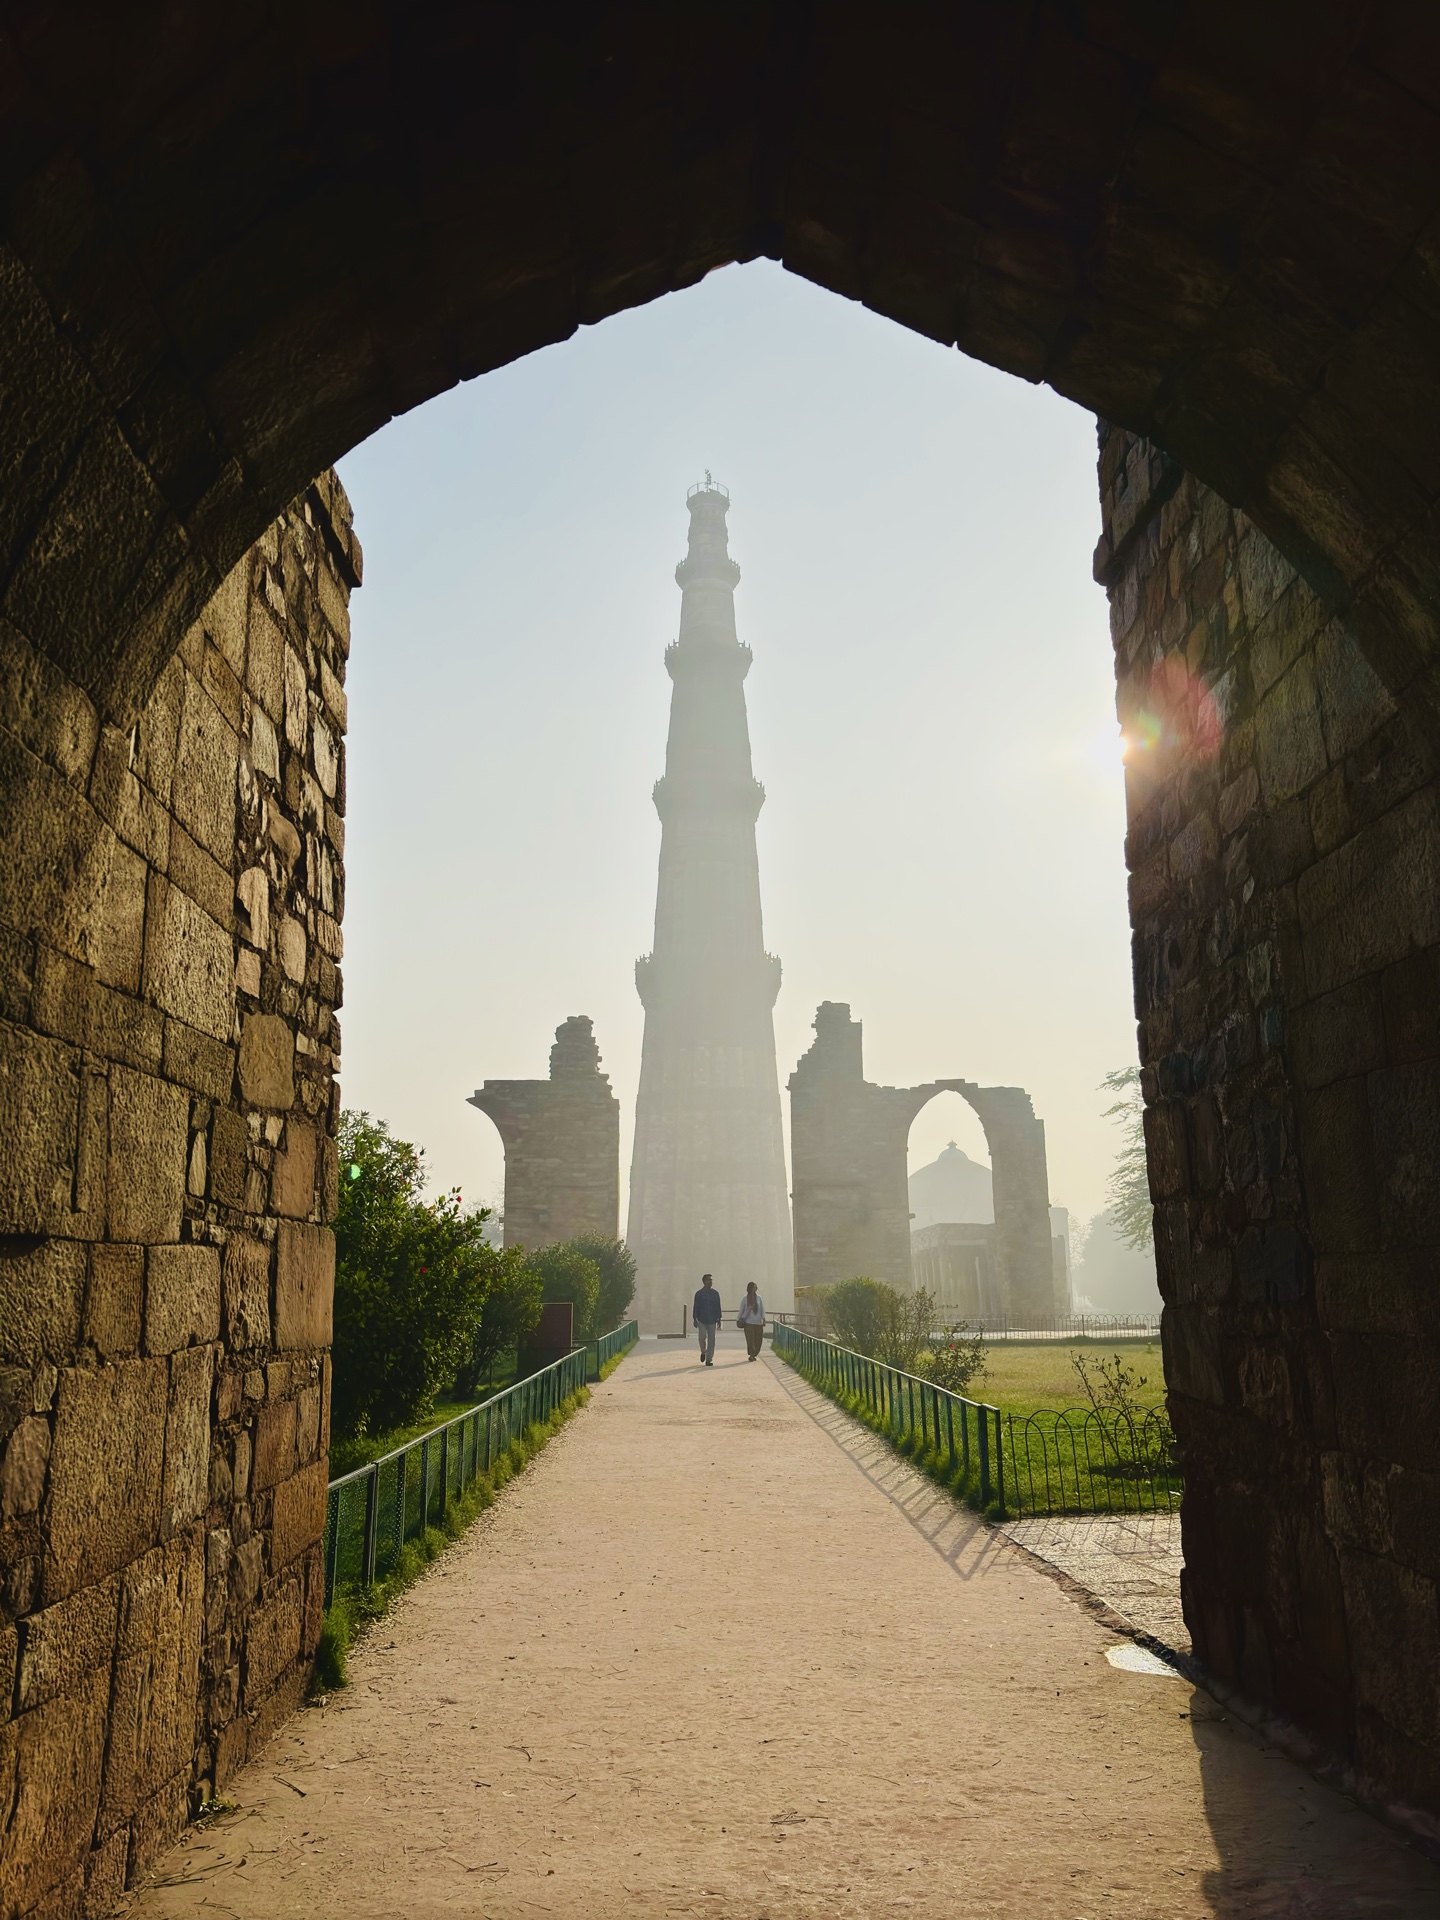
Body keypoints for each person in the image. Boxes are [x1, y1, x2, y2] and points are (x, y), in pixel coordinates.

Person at [692, 1273, 722, 1366]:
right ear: (704, 1281)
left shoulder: (715, 1294)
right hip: (702, 1319)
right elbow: (696, 1306)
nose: (711, 1281)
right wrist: (694, 1318)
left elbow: (718, 1306)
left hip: (712, 1319)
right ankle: (703, 1351)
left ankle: (709, 1359)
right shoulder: (699, 1294)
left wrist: (719, 1319)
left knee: (711, 1340)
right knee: (702, 1337)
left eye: (711, 1280)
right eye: (709, 1280)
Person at [736, 1281, 765, 1360]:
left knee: (758, 1340)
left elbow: (762, 1309)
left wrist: (763, 1319)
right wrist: (738, 1319)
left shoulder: (759, 1298)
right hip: (749, 1323)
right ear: (750, 1288)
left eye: (756, 1287)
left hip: (758, 1323)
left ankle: (755, 1353)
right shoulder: (745, 1299)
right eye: (754, 1287)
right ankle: (752, 1355)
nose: (756, 1289)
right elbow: (741, 1310)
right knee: (750, 1341)